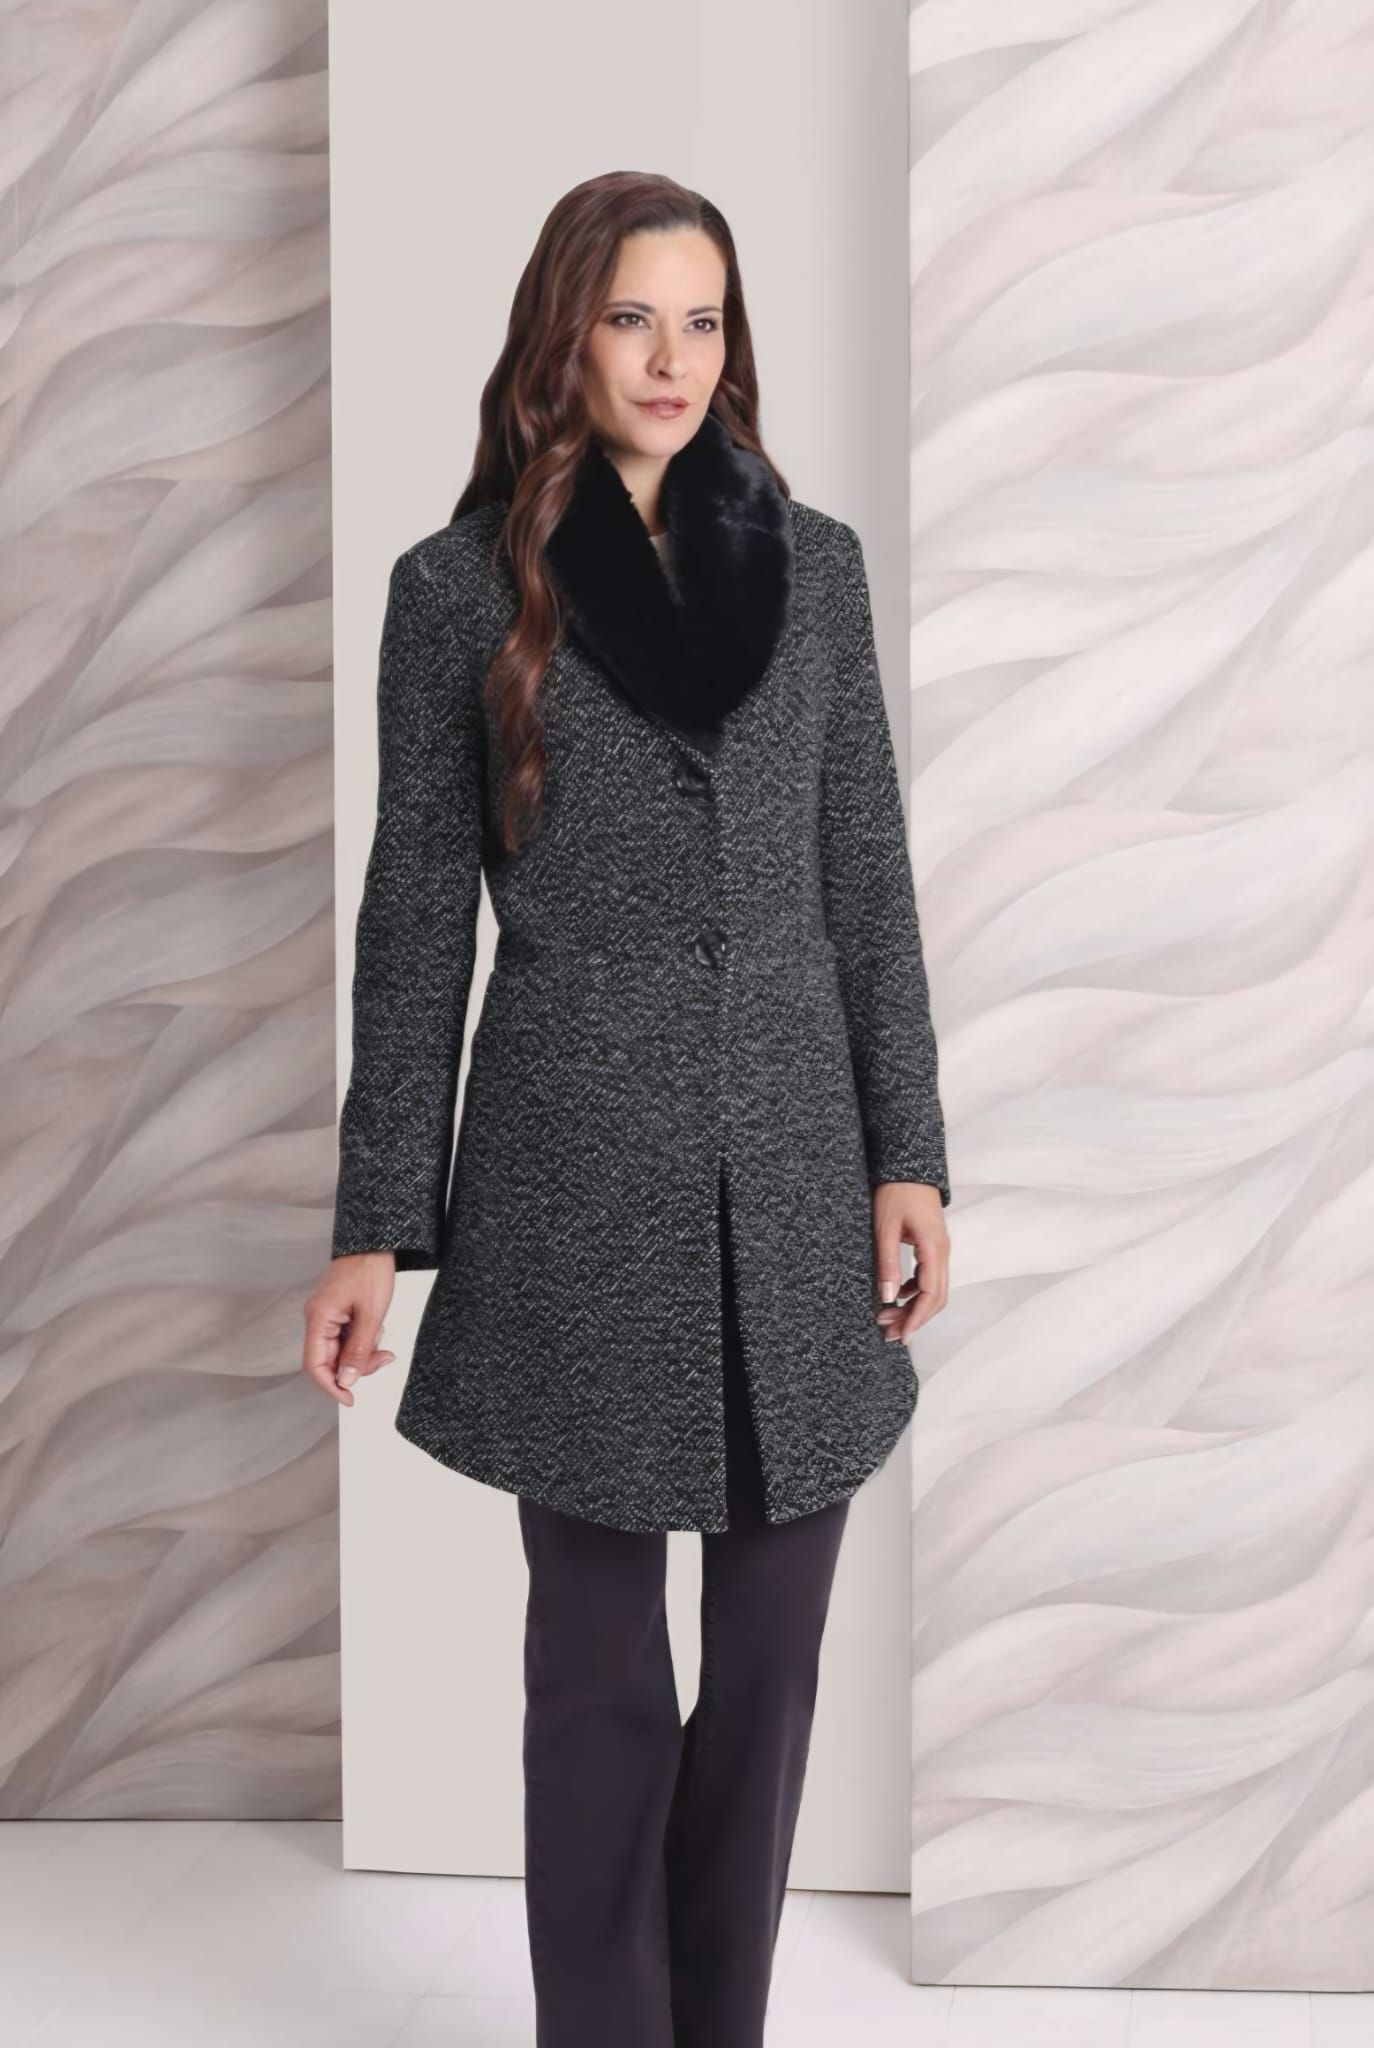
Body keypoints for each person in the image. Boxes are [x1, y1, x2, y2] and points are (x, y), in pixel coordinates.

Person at [302, 169, 951, 2048]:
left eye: (704, 320)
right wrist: (375, 1222)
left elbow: (864, 874)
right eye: (631, 318)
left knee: (770, 1671)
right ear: (562, 338)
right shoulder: (455, 591)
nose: (672, 359)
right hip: (569, 1173)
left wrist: (905, 1152)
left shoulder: (813, 566)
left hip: (795, 1163)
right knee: (591, 1680)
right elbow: (415, 919)